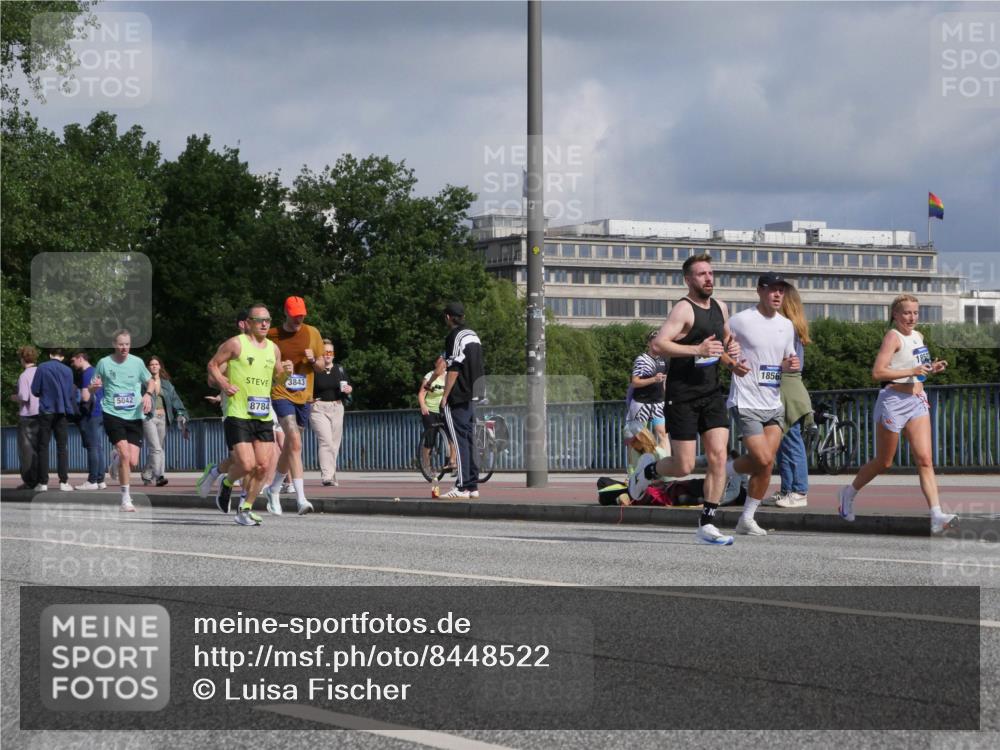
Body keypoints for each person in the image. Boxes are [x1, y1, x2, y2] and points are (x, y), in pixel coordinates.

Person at [628, 253, 743, 545]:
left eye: (711, 273)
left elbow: (724, 341)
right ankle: (649, 469)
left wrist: (733, 361)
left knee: (719, 455)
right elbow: (659, 343)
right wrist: (696, 350)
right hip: (682, 396)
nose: (709, 278)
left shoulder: (721, 307)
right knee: (684, 466)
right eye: (702, 274)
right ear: (688, 279)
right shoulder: (683, 309)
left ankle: (708, 522)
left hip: (712, 393)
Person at [839, 294, 956, 533]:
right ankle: (848, 493)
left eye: (915, 312)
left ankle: (936, 515)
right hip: (893, 401)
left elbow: (917, 371)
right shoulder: (893, 336)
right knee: (885, 461)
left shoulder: (918, 336)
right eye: (906, 313)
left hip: (917, 399)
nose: (911, 317)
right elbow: (878, 372)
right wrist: (912, 369)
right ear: (895, 314)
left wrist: (931, 368)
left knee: (925, 459)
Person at [721, 272, 799, 536]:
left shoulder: (787, 325)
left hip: (773, 401)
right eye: (772, 289)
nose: (778, 294)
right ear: (759, 291)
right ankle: (725, 473)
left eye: (781, 290)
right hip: (746, 400)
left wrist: (789, 365)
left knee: (765, 464)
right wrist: (731, 362)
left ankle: (746, 516)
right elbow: (717, 346)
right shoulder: (741, 320)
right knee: (764, 459)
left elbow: (786, 360)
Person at [208, 301, 294, 526]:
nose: (265, 324)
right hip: (238, 412)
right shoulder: (236, 344)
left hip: (263, 413)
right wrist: (223, 385)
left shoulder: (273, 349)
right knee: (246, 464)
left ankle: (245, 509)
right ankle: (226, 484)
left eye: (268, 320)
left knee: (264, 467)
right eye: (260, 320)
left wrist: (286, 373)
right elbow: (213, 365)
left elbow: (278, 381)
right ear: (248, 323)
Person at [264, 296, 325, 515]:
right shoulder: (272, 335)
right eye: (295, 315)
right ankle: (301, 499)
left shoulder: (312, 333)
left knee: (291, 446)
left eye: (302, 315)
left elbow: (321, 367)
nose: (299, 319)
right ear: (286, 313)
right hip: (280, 392)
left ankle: (273, 489)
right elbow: (261, 364)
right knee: (295, 441)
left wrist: (311, 360)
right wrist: (279, 367)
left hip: (304, 396)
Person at [89, 330, 154, 511]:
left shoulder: (137, 362)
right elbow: (91, 387)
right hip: (112, 413)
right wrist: (93, 388)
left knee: (132, 462)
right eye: (120, 344)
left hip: (134, 415)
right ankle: (126, 499)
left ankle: (116, 458)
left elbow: (151, 382)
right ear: (114, 344)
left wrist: (147, 394)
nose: (124, 347)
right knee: (126, 455)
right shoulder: (104, 363)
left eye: (127, 344)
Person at [766, 284, 813, 509]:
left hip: (787, 386)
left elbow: (793, 364)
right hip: (787, 385)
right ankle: (788, 490)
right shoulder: (792, 327)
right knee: (784, 441)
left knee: (791, 440)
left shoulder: (786, 328)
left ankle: (799, 491)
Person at [440, 302, 485, 500]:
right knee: (469, 440)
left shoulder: (454, 336)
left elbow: (454, 368)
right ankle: (472, 485)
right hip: (474, 394)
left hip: (459, 395)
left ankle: (461, 486)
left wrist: (445, 396)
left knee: (459, 442)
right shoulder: (473, 335)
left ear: (449, 317)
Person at [31, 348, 78, 492]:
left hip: (46, 410)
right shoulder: (68, 371)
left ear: (50, 355)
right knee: (62, 447)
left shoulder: (42, 368)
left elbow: (35, 390)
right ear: (63, 357)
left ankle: (43, 482)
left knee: (43, 446)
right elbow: (71, 392)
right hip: (62, 411)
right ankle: (63, 481)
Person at [309, 339, 353, 487]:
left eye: (330, 352)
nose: (327, 355)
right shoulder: (314, 370)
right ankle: (327, 476)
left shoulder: (339, 370)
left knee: (334, 444)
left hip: (337, 406)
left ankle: (331, 473)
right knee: (325, 441)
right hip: (318, 408)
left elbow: (348, 386)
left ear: (333, 355)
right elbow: (305, 387)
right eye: (324, 352)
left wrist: (349, 390)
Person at [141, 356, 190, 487]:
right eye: (151, 364)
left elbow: (175, 400)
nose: (154, 366)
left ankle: (147, 473)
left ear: (160, 366)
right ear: (147, 367)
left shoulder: (167, 384)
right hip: (149, 417)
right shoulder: (142, 382)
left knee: (159, 448)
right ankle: (159, 477)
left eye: (156, 364)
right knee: (156, 448)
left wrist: (181, 413)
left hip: (163, 418)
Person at [626, 329, 670, 454]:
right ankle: (634, 468)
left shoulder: (665, 360)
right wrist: (653, 379)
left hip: (658, 403)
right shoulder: (642, 360)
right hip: (641, 402)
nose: (657, 344)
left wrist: (666, 398)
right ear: (649, 343)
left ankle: (665, 465)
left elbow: (664, 383)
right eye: (654, 341)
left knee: (663, 434)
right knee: (639, 437)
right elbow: (635, 382)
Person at [69, 351, 107, 490]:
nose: (73, 364)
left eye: (73, 361)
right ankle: (100, 479)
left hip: (91, 414)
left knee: (92, 447)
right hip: (101, 412)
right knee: (98, 447)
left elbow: (85, 397)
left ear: (80, 358)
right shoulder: (97, 371)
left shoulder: (86, 374)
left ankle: (92, 481)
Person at [418, 354, 456, 475]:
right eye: (439, 362)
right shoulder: (430, 376)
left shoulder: (447, 376)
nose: (442, 364)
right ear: (436, 364)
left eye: (443, 362)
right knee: (431, 438)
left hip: (443, 409)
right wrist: (423, 405)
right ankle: (426, 465)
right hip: (430, 409)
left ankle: (452, 462)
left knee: (451, 435)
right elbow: (421, 393)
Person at [11, 346, 41, 490]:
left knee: (26, 450)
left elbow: (24, 396)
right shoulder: (41, 372)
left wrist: (14, 397)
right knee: (40, 448)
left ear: (23, 359)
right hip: (42, 415)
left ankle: (29, 480)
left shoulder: (24, 375)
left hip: (27, 415)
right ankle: (41, 478)